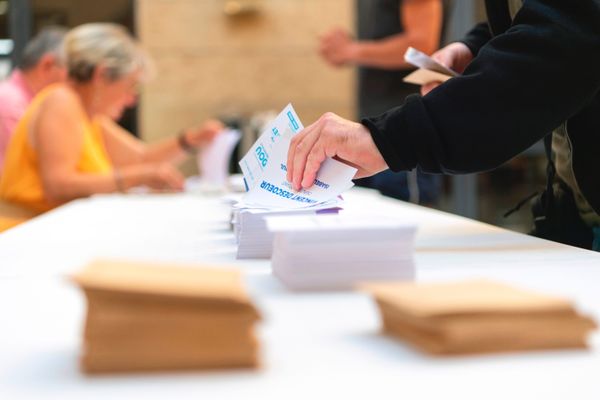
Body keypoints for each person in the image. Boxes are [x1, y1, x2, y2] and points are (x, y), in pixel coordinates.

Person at [287, 0, 600, 251]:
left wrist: (389, 138)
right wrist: (473, 47)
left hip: (404, 134)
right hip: (572, 208)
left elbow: (567, 39)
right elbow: (531, 20)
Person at [0, 23, 223, 213]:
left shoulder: (88, 115)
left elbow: (141, 159)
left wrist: (189, 140)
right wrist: (138, 177)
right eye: (130, 86)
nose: (131, 99)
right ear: (101, 75)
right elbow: (59, 184)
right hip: (28, 236)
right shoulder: (61, 100)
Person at [318, 0, 444, 204]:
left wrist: (352, 50)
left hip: (404, 130)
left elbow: (421, 44)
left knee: (407, 227)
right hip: (375, 129)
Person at [0, 26, 68, 172]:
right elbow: (35, 168)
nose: (74, 82)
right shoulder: (10, 101)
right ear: (47, 65)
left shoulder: (26, 99)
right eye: (72, 72)